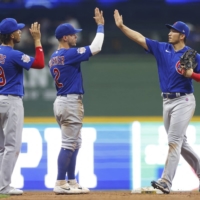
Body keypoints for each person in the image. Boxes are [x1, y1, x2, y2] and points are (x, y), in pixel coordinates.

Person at [114, 10, 200, 194]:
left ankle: (165, 182)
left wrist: (192, 74)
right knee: (180, 143)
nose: (170, 32)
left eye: (174, 30)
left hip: (184, 100)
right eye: (170, 30)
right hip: (167, 101)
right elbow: (139, 38)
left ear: (182, 35)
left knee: (174, 141)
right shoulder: (163, 48)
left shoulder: (192, 54)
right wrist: (122, 27)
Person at [48, 7, 104, 194]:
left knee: (75, 143)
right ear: (65, 38)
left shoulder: (53, 58)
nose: (75, 37)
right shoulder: (68, 54)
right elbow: (96, 48)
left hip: (61, 101)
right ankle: (59, 183)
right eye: (73, 35)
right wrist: (101, 26)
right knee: (68, 144)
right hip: (70, 101)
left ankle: (71, 181)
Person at [0, 18, 45, 195]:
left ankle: (1, 185)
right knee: (12, 146)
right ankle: (3, 186)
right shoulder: (14, 55)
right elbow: (40, 63)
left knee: (1, 148)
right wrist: (37, 40)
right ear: (11, 35)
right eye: (17, 31)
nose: (20, 32)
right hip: (11, 101)